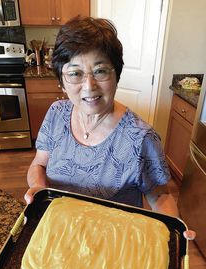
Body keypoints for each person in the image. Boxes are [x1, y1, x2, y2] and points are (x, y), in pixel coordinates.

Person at [24, 15, 195, 240]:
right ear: (62, 81)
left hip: (113, 244)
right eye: (75, 73)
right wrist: (38, 187)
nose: (89, 86)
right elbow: (39, 164)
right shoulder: (57, 113)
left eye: (100, 71)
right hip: (61, 233)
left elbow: (161, 195)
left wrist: (174, 235)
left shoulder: (140, 137)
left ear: (116, 74)